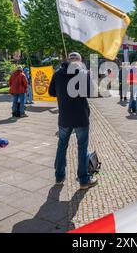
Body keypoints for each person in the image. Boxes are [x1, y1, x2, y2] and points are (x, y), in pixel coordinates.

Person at [48, 52, 98, 190]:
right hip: (80, 116)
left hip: (64, 116)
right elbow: (90, 92)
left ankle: (59, 176)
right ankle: (83, 180)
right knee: (82, 148)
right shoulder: (82, 73)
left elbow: (51, 92)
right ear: (80, 62)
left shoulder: (58, 74)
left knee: (62, 146)